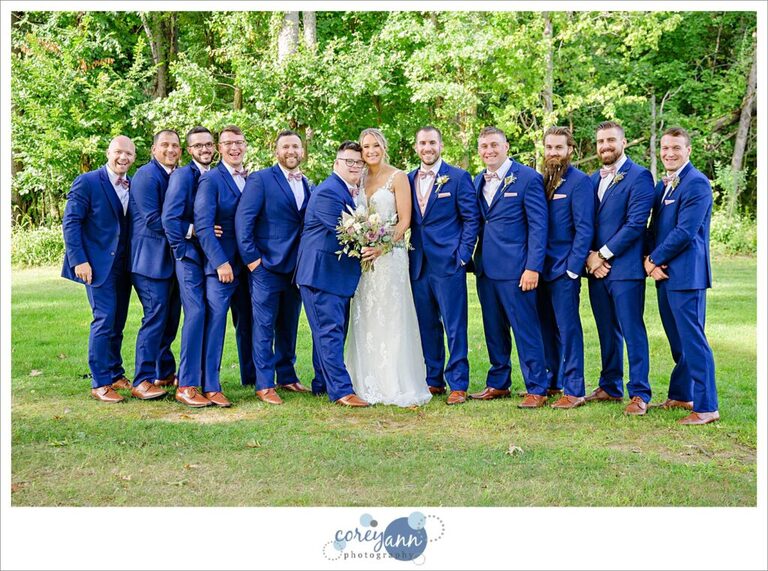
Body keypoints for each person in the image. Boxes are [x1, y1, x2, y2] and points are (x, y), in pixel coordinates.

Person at [61, 135, 158, 402]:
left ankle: (115, 374)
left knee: (117, 321)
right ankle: (100, 382)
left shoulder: (133, 183)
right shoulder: (88, 181)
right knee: (103, 319)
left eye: (128, 153)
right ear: (108, 152)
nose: (123, 158)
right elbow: (71, 222)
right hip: (95, 265)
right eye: (118, 152)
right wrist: (79, 260)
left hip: (125, 266)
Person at [345, 128, 431, 407]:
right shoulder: (358, 178)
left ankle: (395, 382)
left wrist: (381, 247)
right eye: (365, 147)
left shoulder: (398, 177)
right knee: (365, 315)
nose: (370, 151)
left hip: (389, 258)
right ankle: (363, 380)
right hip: (364, 259)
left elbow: (404, 221)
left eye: (375, 146)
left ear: (383, 147)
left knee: (391, 316)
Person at [469, 126, 550, 408]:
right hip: (486, 269)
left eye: (494, 145)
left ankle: (537, 387)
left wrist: (533, 268)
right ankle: (498, 382)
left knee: (526, 328)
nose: (488, 151)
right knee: (493, 328)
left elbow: (539, 226)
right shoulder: (478, 180)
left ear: (506, 146)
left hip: (518, 270)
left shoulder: (528, 178)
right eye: (483, 146)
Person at [645, 127, 719, 425]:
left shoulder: (697, 183)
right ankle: (680, 394)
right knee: (678, 341)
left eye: (676, 147)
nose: (669, 153)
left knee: (693, 341)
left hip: (687, 275)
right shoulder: (665, 186)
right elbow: (655, 228)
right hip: (665, 274)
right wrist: (648, 259)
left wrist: (653, 259)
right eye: (664, 148)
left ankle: (706, 407)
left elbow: (685, 232)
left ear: (688, 150)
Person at [235, 130, 314, 405]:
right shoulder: (260, 179)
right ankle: (264, 383)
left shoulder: (307, 183)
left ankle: (288, 376)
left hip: (296, 269)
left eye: (295, 146)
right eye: (285, 147)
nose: (291, 151)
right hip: (265, 266)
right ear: (276, 151)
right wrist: (253, 261)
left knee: (288, 325)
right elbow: (243, 221)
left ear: (301, 151)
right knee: (264, 325)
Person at [584, 121, 655, 415]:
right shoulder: (590, 180)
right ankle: (610, 385)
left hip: (625, 269)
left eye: (611, 140)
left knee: (631, 329)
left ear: (623, 143)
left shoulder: (640, 177)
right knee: (605, 329)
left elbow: (636, 224)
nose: (605, 146)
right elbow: (584, 221)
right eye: (601, 141)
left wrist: (601, 254)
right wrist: (589, 257)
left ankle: (640, 393)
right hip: (595, 269)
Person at [295, 141, 370, 407]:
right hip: (320, 274)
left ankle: (322, 383)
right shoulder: (329, 191)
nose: (354, 166)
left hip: (335, 276)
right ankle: (341, 391)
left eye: (358, 163)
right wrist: (380, 239)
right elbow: (348, 231)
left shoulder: (348, 191)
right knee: (329, 332)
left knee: (329, 332)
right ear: (336, 163)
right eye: (348, 161)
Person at [408, 126, 480, 405]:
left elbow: (471, 219)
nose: (427, 148)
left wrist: (463, 256)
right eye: (423, 143)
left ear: (440, 145)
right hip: (418, 265)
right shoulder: (408, 178)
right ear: (416, 147)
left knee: (454, 325)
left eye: (432, 143)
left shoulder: (459, 178)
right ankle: (433, 379)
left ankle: (459, 384)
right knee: (427, 325)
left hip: (449, 263)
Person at [194, 125, 257, 407]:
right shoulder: (211, 180)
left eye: (239, 142)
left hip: (249, 267)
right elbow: (205, 227)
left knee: (249, 323)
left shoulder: (253, 179)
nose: (235, 148)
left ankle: (253, 377)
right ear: (219, 148)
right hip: (222, 267)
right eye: (229, 143)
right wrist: (220, 262)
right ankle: (210, 384)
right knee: (216, 324)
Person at [162, 126, 221, 407]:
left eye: (209, 144)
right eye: (198, 146)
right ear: (189, 150)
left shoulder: (217, 175)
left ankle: (199, 379)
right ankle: (186, 385)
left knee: (208, 315)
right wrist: (196, 231)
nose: (205, 149)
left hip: (210, 258)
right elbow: (170, 220)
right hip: (188, 257)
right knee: (196, 313)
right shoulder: (183, 176)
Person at [536, 126, 595, 409]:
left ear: (570, 150)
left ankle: (574, 390)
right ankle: (553, 380)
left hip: (564, 270)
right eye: (549, 148)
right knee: (547, 328)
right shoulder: (541, 180)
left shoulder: (579, 182)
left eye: (559, 148)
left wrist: (573, 268)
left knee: (568, 329)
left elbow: (585, 229)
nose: (553, 153)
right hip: (540, 268)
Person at [128, 129, 182, 398]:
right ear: (153, 150)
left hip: (172, 263)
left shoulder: (177, 175)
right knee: (155, 318)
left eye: (175, 145)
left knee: (170, 319)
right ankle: (142, 379)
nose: (170, 150)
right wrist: (190, 230)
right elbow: (152, 219)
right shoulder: (146, 176)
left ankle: (164, 373)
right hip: (150, 262)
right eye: (165, 145)